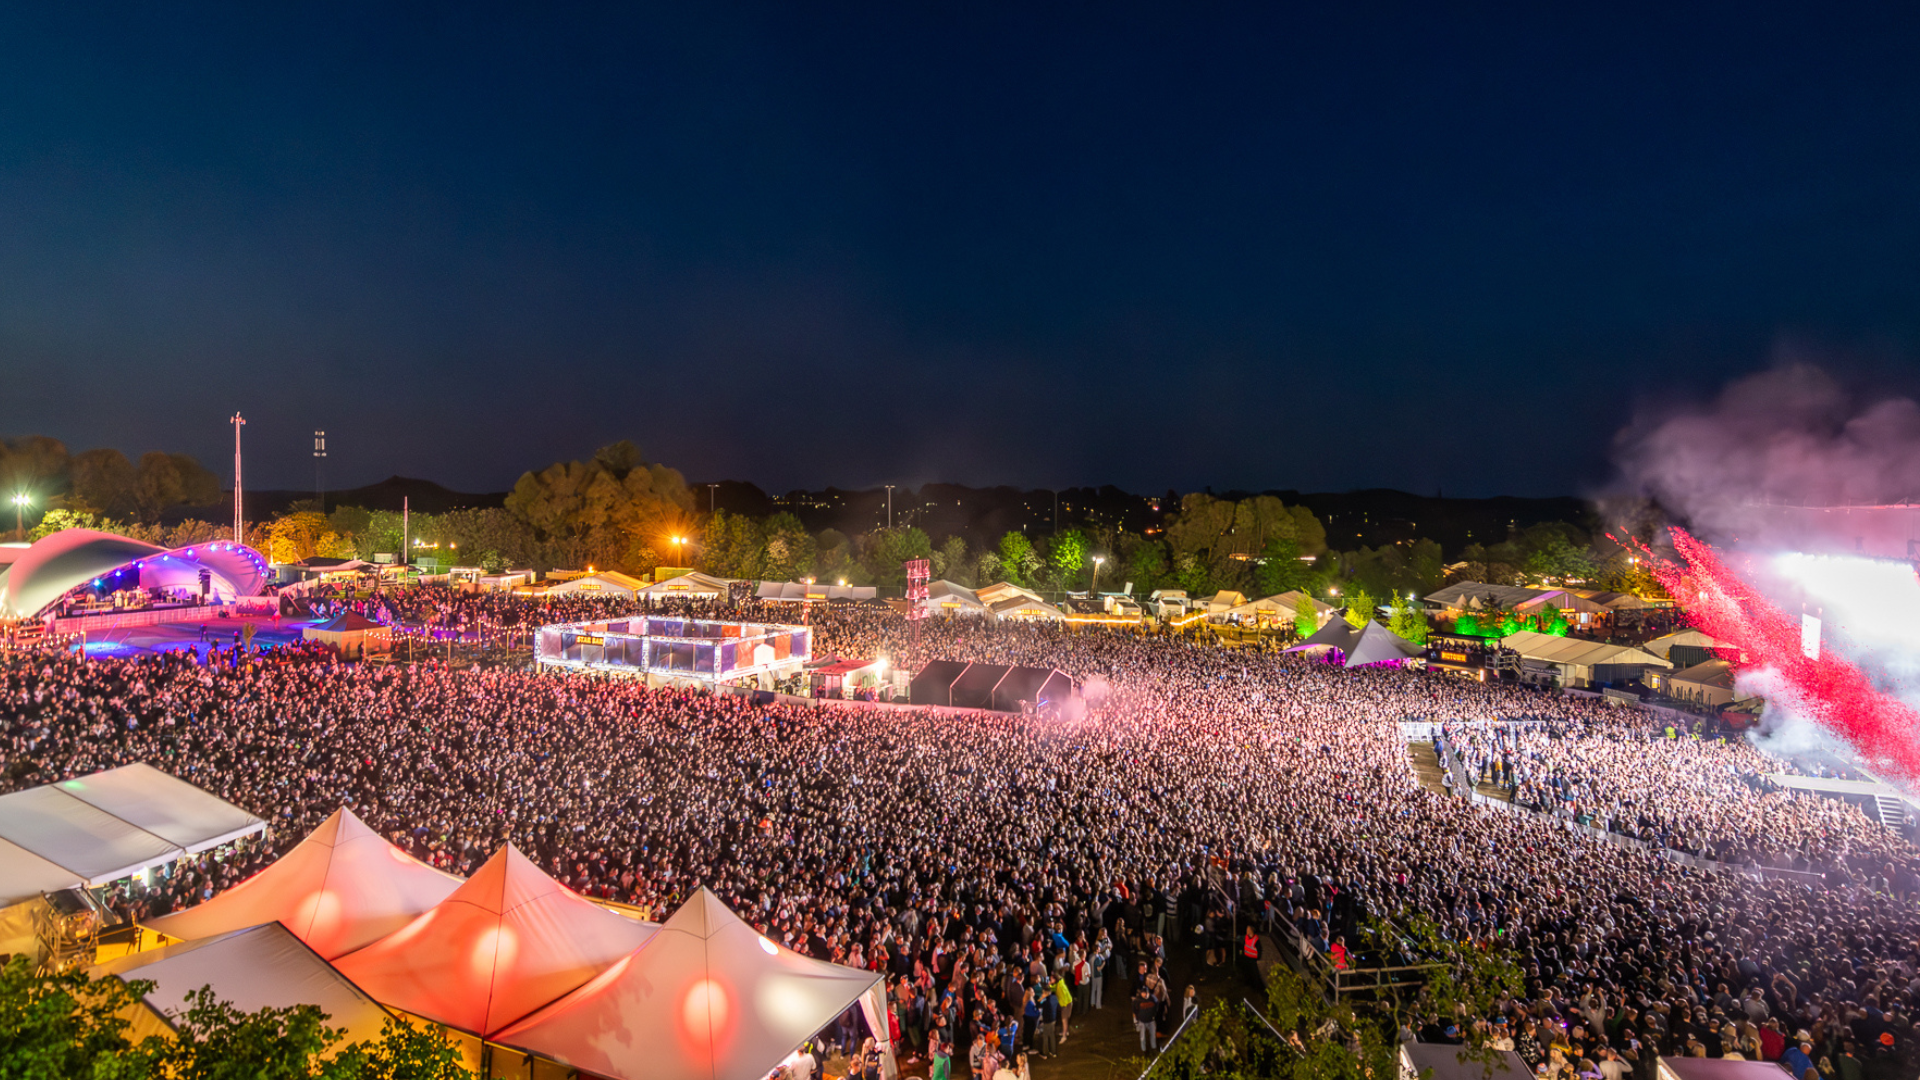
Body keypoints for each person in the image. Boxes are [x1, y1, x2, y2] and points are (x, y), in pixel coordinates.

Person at [1134, 985, 1159, 1053]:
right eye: (1142, 992)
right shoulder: (1137, 1001)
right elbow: (1134, 1012)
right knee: (1142, 1037)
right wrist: (1136, 1022)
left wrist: (1154, 1015)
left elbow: (1156, 1006)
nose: (1144, 994)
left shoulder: (1153, 999)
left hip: (1151, 1020)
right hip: (1142, 1021)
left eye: (1145, 992)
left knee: (1153, 1034)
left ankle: (1154, 1048)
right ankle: (1144, 1051)